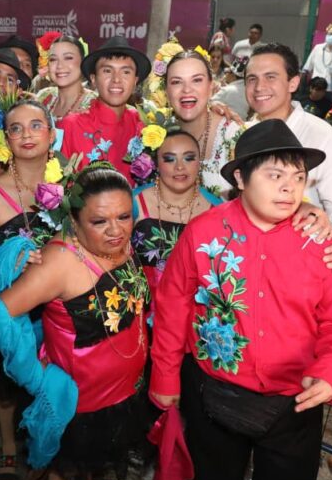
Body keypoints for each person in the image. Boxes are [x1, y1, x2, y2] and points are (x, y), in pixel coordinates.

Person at [150, 119, 332, 480]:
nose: (289, 187)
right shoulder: (203, 233)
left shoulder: (318, 241)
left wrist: (331, 373)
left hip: (293, 404)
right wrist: (164, 375)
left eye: (298, 177)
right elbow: (173, 305)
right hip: (213, 395)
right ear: (240, 177)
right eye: (275, 175)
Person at [0, 164, 149, 480]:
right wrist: (36, 376)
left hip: (122, 390)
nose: (116, 229)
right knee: (65, 468)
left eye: (124, 217)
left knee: (91, 458)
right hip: (79, 398)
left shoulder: (120, 245)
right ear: (75, 222)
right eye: (99, 221)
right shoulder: (59, 260)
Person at [0, 99, 61, 480]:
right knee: (8, 388)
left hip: (61, 312)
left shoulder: (69, 186)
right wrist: (11, 260)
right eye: (16, 128)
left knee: (61, 383)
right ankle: (7, 447)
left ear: (52, 135)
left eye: (36, 125)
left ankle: (52, 450)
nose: (26, 135)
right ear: (5, 139)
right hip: (16, 315)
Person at [245, 43, 332, 275]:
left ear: (293, 82)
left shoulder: (322, 137)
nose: (259, 87)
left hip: (298, 268)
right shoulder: (241, 133)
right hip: (244, 260)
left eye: (270, 77)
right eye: (251, 79)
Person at [132, 128, 220, 297]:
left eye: (188, 158)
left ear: (199, 162)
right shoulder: (134, 201)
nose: (180, 167)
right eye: (170, 159)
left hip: (192, 313)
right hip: (140, 309)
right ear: (156, 164)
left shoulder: (217, 210)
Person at [60, 36, 150, 183]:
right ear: (93, 79)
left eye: (126, 72)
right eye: (107, 71)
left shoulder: (142, 126)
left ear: (135, 81)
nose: (116, 79)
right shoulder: (70, 125)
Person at [162, 50, 244, 197]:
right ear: (166, 91)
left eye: (197, 80)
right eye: (176, 82)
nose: (187, 89)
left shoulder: (233, 137)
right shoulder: (156, 134)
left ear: (211, 86)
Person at [35, 36, 96, 121]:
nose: (60, 66)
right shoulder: (43, 96)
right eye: (53, 59)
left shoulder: (94, 104)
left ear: (83, 62)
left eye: (68, 58)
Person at [303, 23, 332, 98]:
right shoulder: (317, 48)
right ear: (326, 34)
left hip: (330, 89)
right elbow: (307, 68)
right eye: (330, 34)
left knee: (327, 108)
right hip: (315, 88)